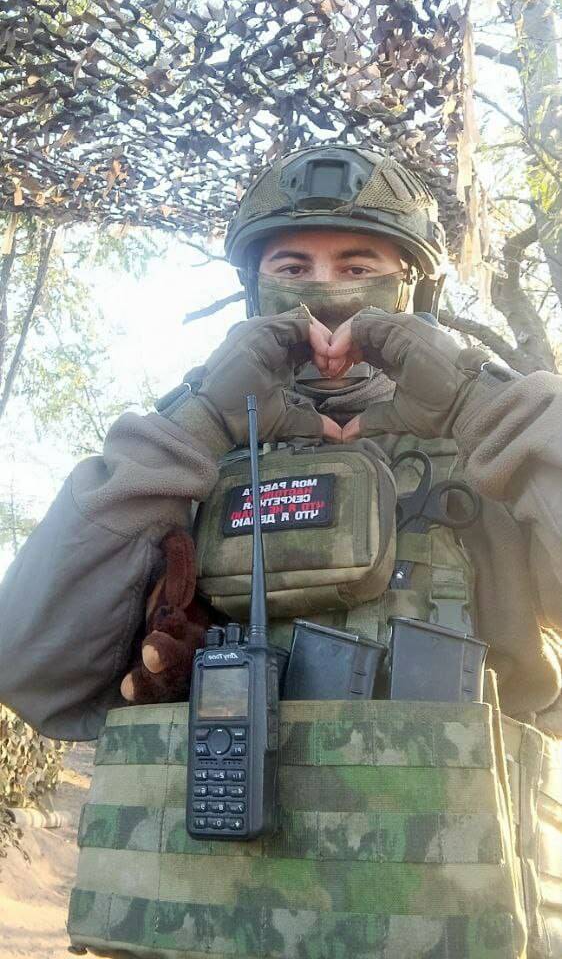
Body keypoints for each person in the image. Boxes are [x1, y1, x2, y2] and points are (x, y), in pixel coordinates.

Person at [0, 145, 560, 959]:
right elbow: (30, 667)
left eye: (359, 266)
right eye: (292, 266)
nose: (324, 292)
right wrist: (200, 419)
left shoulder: (499, 458)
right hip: (204, 926)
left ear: (412, 290)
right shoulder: (185, 464)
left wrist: (483, 402)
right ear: (254, 291)